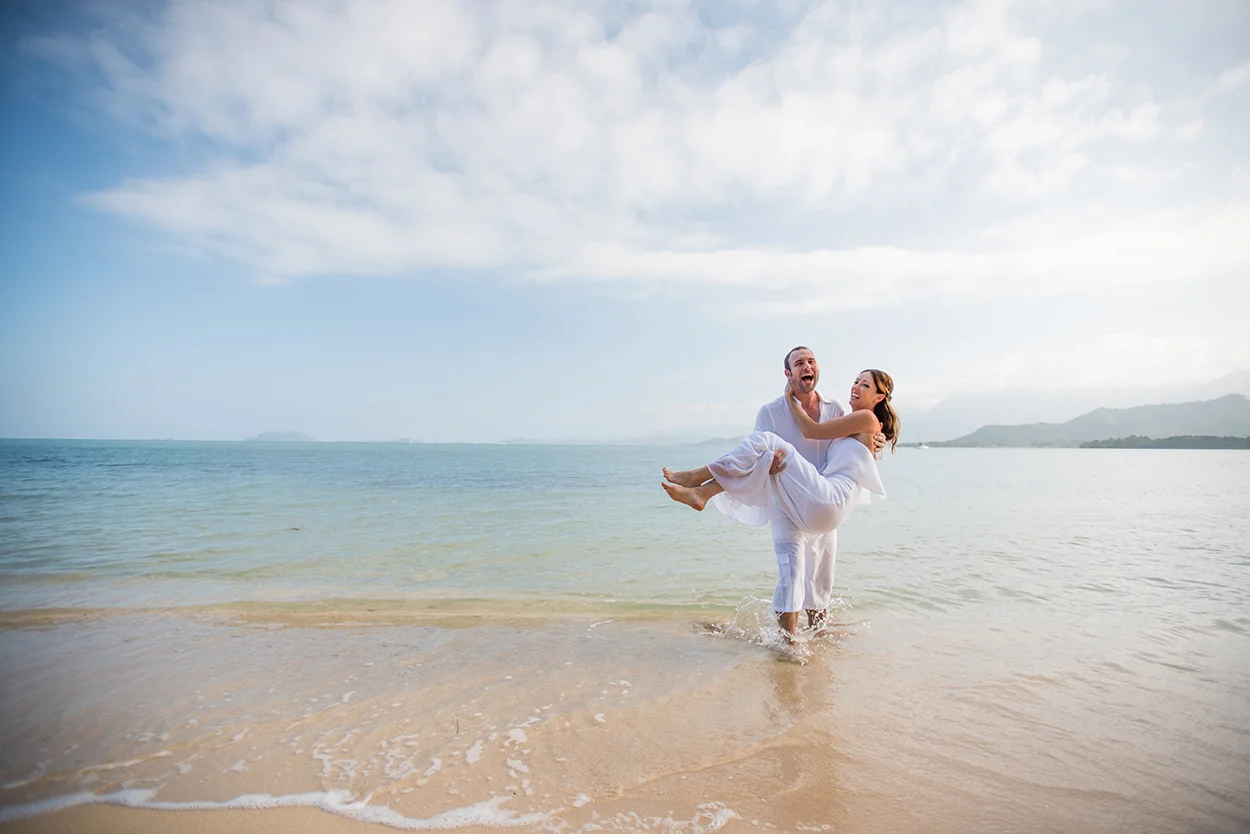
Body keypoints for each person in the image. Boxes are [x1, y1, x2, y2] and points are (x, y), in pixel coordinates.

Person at [662, 366, 900, 641]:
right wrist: (876, 440)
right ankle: (799, 639)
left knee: (767, 442)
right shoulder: (853, 421)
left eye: (865, 385)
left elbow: (812, 430)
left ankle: (699, 480)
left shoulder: (864, 418)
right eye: (855, 381)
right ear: (788, 372)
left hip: (828, 497)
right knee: (796, 570)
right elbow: (855, 449)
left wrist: (791, 401)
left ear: (880, 397)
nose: (856, 387)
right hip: (815, 499)